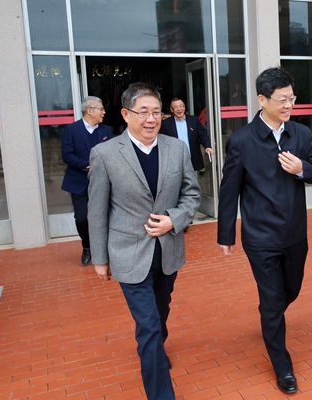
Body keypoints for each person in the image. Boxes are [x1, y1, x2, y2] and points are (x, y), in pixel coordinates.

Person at [88, 83, 200, 400]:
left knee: (160, 314)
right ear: (126, 114)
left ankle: (155, 351)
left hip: (168, 251)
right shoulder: (105, 154)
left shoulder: (176, 148)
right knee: (148, 325)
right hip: (128, 252)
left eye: (156, 112)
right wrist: (99, 258)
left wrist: (174, 219)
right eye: (143, 112)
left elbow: (192, 195)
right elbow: (97, 210)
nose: (151, 119)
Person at [217, 67, 312, 394]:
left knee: (290, 290)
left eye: (292, 98)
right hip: (260, 237)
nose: (289, 105)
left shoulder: (301, 134)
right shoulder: (242, 141)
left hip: (295, 233)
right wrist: (226, 234)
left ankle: (271, 311)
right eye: (282, 99)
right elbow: (229, 189)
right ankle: (282, 366)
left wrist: (302, 169)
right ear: (262, 100)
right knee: (272, 299)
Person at [61, 96, 113, 265]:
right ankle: (87, 246)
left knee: (105, 217)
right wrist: (87, 165)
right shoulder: (71, 129)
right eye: (101, 109)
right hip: (79, 182)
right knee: (82, 218)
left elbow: (113, 154)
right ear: (90, 111)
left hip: (103, 183)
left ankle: (105, 249)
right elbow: (67, 155)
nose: (104, 112)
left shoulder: (107, 131)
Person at [160, 97, 213, 171]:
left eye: (181, 106)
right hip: (174, 161)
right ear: (171, 110)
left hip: (192, 159)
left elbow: (202, 134)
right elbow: (162, 142)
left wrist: (207, 146)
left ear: (184, 107)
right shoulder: (165, 124)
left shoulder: (194, 120)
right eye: (175, 107)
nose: (179, 109)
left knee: (193, 178)